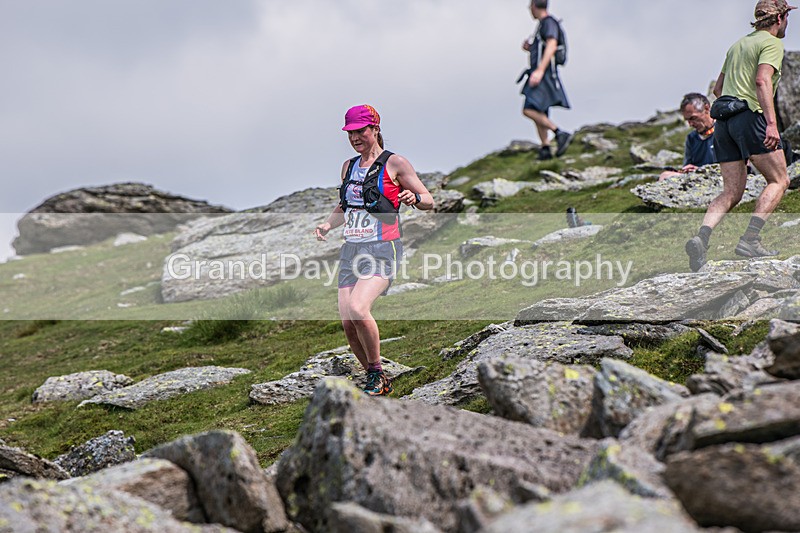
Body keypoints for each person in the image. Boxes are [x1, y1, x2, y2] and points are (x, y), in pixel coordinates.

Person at [314, 104, 434, 396]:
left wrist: (413, 197)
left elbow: (429, 200)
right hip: (351, 250)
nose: (355, 138)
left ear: (375, 129)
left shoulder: (395, 163)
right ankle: (374, 376)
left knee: (358, 308)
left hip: (382, 247)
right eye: (350, 133)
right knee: (348, 322)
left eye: (360, 131)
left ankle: (377, 375)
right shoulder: (348, 166)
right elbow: (345, 205)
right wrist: (328, 224)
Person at [685, 0, 794, 272]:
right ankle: (750, 240)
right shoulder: (772, 44)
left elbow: (718, 89)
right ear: (779, 19)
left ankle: (702, 238)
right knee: (780, 179)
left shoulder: (738, 45)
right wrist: (771, 124)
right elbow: (762, 80)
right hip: (750, 117)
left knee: (731, 192)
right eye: (787, 18)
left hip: (723, 123)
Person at [520, 0, 573, 160]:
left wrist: (540, 71)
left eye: (530, 7)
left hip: (545, 73)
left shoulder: (548, 23)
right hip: (542, 72)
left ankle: (559, 133)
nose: (529, 10)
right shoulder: (544, 24)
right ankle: (545, 148)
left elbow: (551, 44)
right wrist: (531, 48)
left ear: (534, 6)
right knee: (538, 109)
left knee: (528, 109)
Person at [659, 93, 717, 181]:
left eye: (693, 118)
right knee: (665, 175)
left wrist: (701, 170)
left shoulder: (723, 131)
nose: (690, 124)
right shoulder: (692, 138)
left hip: (717, 176)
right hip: (696, 178)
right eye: (687, 120)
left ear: (706, 108)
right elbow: (687, 165)